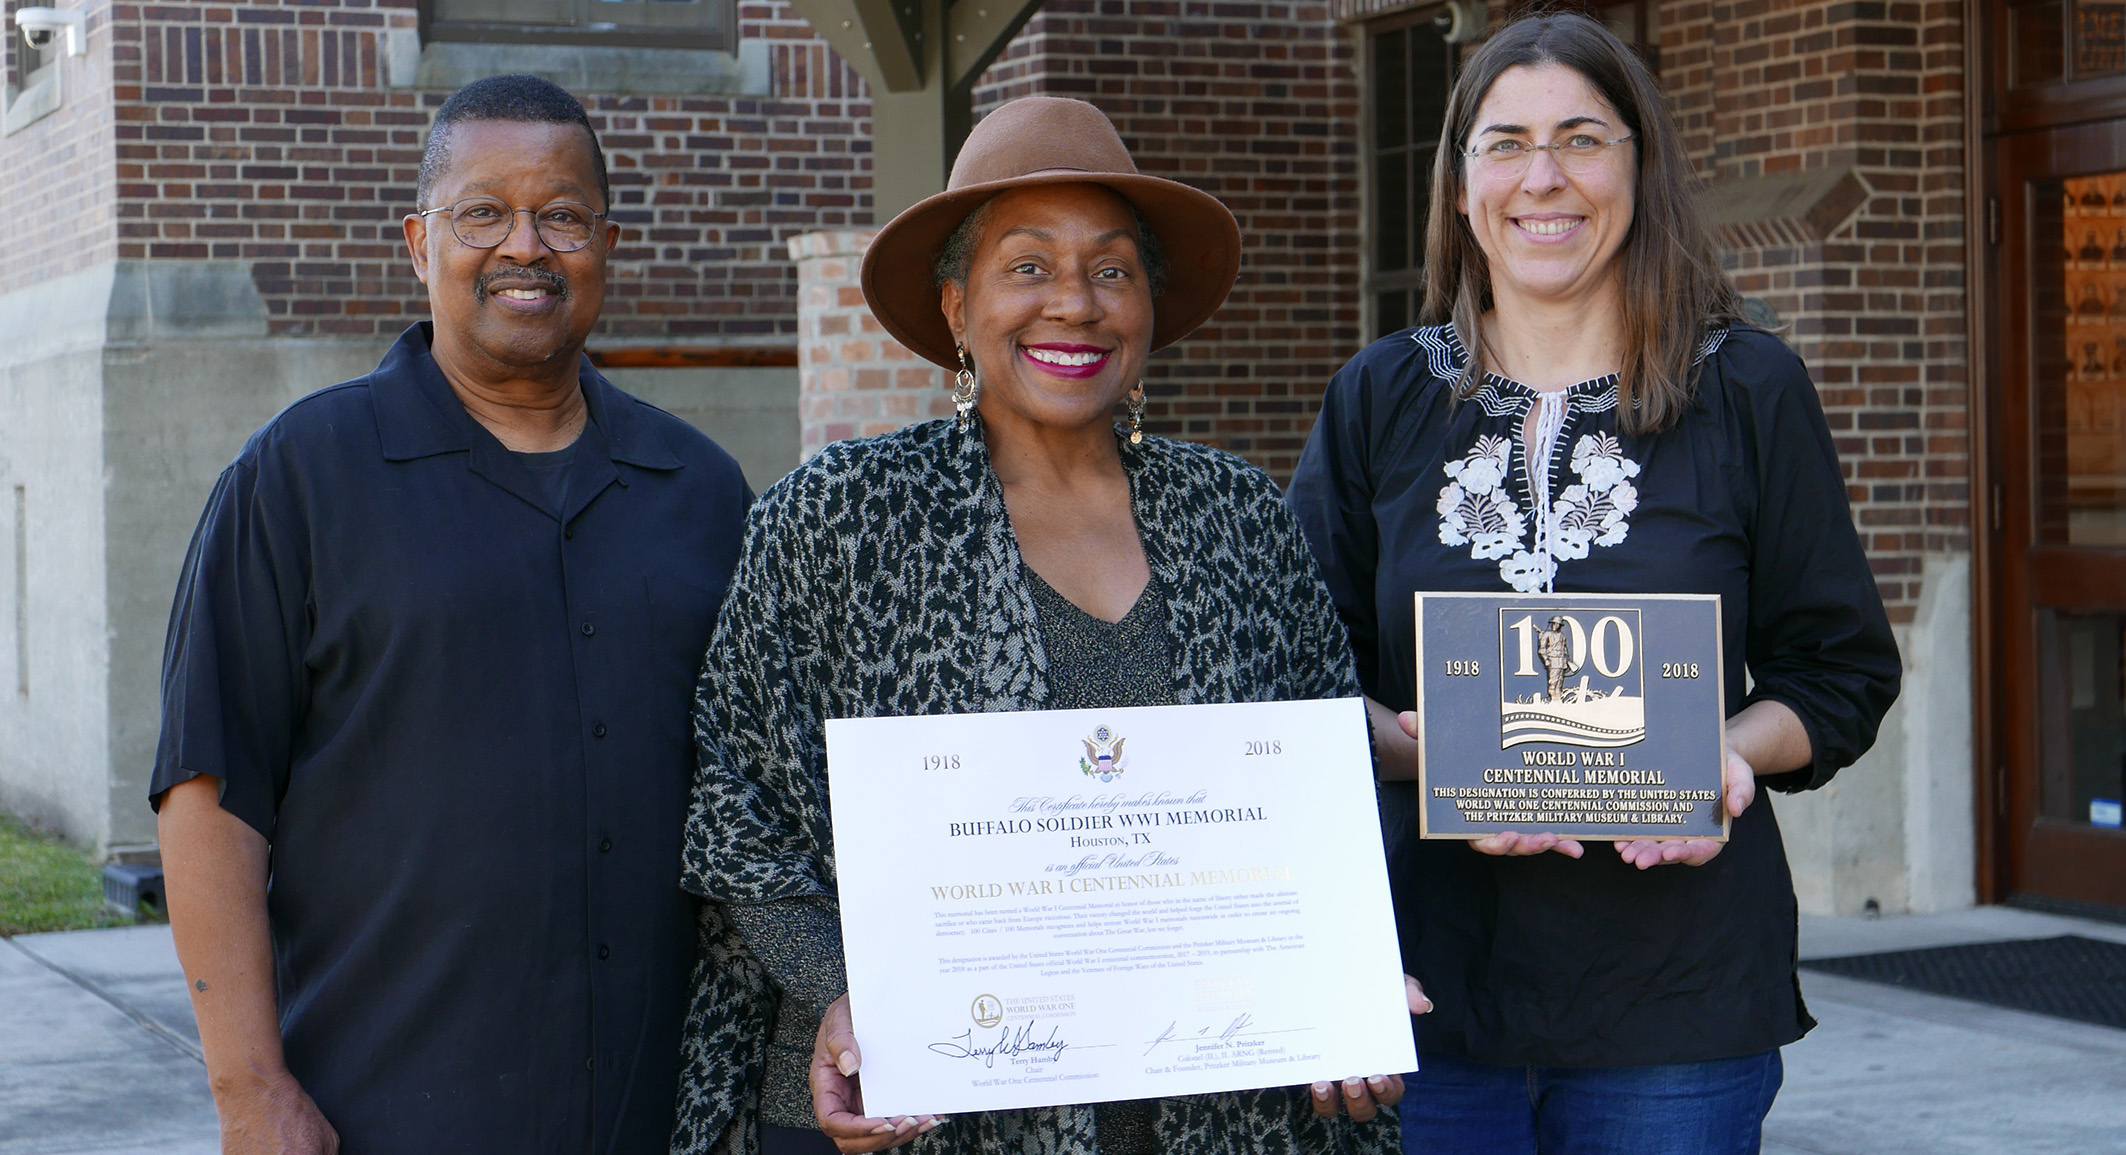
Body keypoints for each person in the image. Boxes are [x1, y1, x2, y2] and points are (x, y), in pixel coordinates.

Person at [668, 96, 1413, 1155]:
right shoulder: (839, 516)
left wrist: (1336, 982)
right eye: (1027, 267)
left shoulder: (1241, 519)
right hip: (910, 1106)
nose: (1074, 302)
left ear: (1148, 305)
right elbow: (736, 807)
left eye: (1111, 270)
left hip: (1200, 1111)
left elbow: (1309, 799)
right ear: (955, 304)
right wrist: (847, 998)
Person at [1285, 14, 1901, 1155]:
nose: (1542, 178)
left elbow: (1839, 672)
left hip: (1673, 1002)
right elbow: (1293, 682)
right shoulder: (1379, 397)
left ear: (1638, 163)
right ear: (1460, 184)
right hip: (1427, 985)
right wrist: (1435, 753)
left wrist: (1723, 752)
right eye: (1504, 143)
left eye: (1579, 138)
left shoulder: (1747, 387)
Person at [151, 75, 753, 1154]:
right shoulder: (301, 476)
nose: (525, 245)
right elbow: (210, 788)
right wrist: (248, 1086)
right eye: (483, 213)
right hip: (382, 1103)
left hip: (662, 1110)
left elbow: (764, 798)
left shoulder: (700, 493)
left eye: (561, 215)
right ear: (419, 243)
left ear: (605, 244)